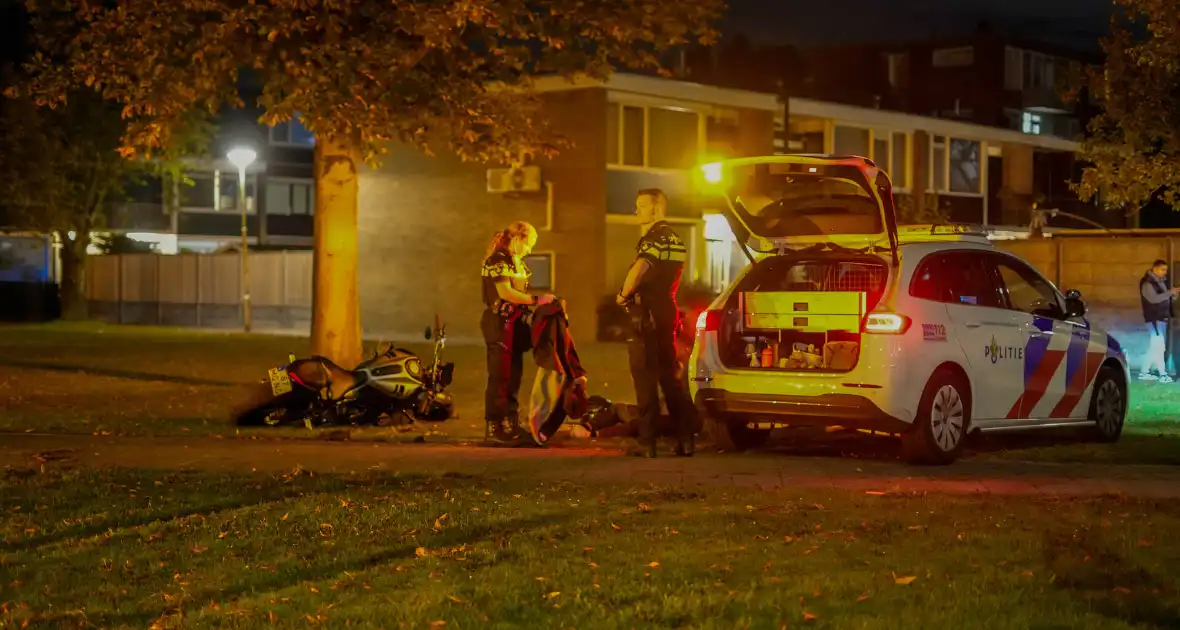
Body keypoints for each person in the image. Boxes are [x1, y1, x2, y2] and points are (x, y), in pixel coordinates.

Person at [615, 188, 698, 458]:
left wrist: (623, 294)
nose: (636, 210)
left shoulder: (653, 240)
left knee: (644, 376)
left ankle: (647, 442)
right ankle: (684, 438)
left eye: (641, 205)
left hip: (646, 314)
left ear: (656, 208)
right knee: (669, 375)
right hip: (667, 310)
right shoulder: (676, 239)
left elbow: (639, 270)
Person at [481, 221, 554, 442]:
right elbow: (506, 293)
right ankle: (494, 428)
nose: (530, 250)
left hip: (514, 324)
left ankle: (511, 423)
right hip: (498, 323)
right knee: (499, 377)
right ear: (517, 239)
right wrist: (538, 300)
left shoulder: (517, 263)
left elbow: (517, 299)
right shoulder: (498, 260)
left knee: (514, 376)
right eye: (529, 244)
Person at [1139, 259, 1180, 383]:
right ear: (1154, 268)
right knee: (1159, 346)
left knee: (1155, 347)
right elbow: (1153, 299)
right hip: (1153, 318)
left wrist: (1173, 295)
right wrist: (1169, 293)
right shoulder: (1147, 282)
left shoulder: (1161, 282)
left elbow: (1165, 298)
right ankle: (1162, 374)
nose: (1165, 272)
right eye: (1162, 269)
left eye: (1166, 270)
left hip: (1161, 318)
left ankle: (1144, 372)